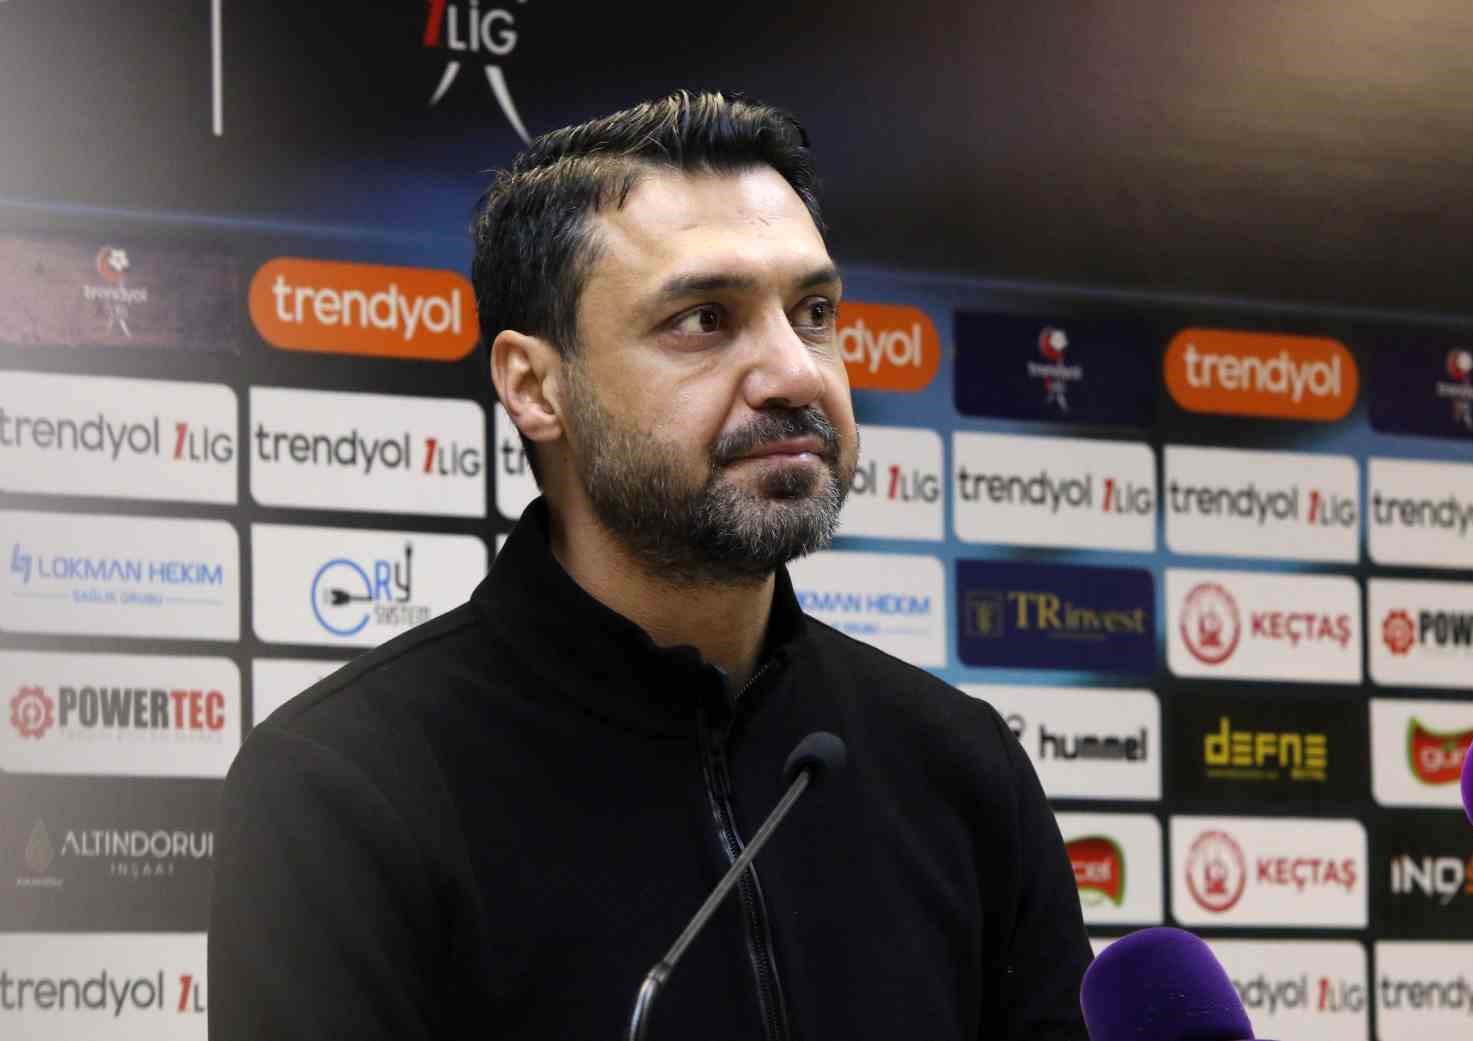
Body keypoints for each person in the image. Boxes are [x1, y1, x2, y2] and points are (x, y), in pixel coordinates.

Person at [209, 90, 1093, 1041]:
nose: (797, 373)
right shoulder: (342, 787)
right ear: (535, 386)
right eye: (705, 319)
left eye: (814, 312)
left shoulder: (960, 763)